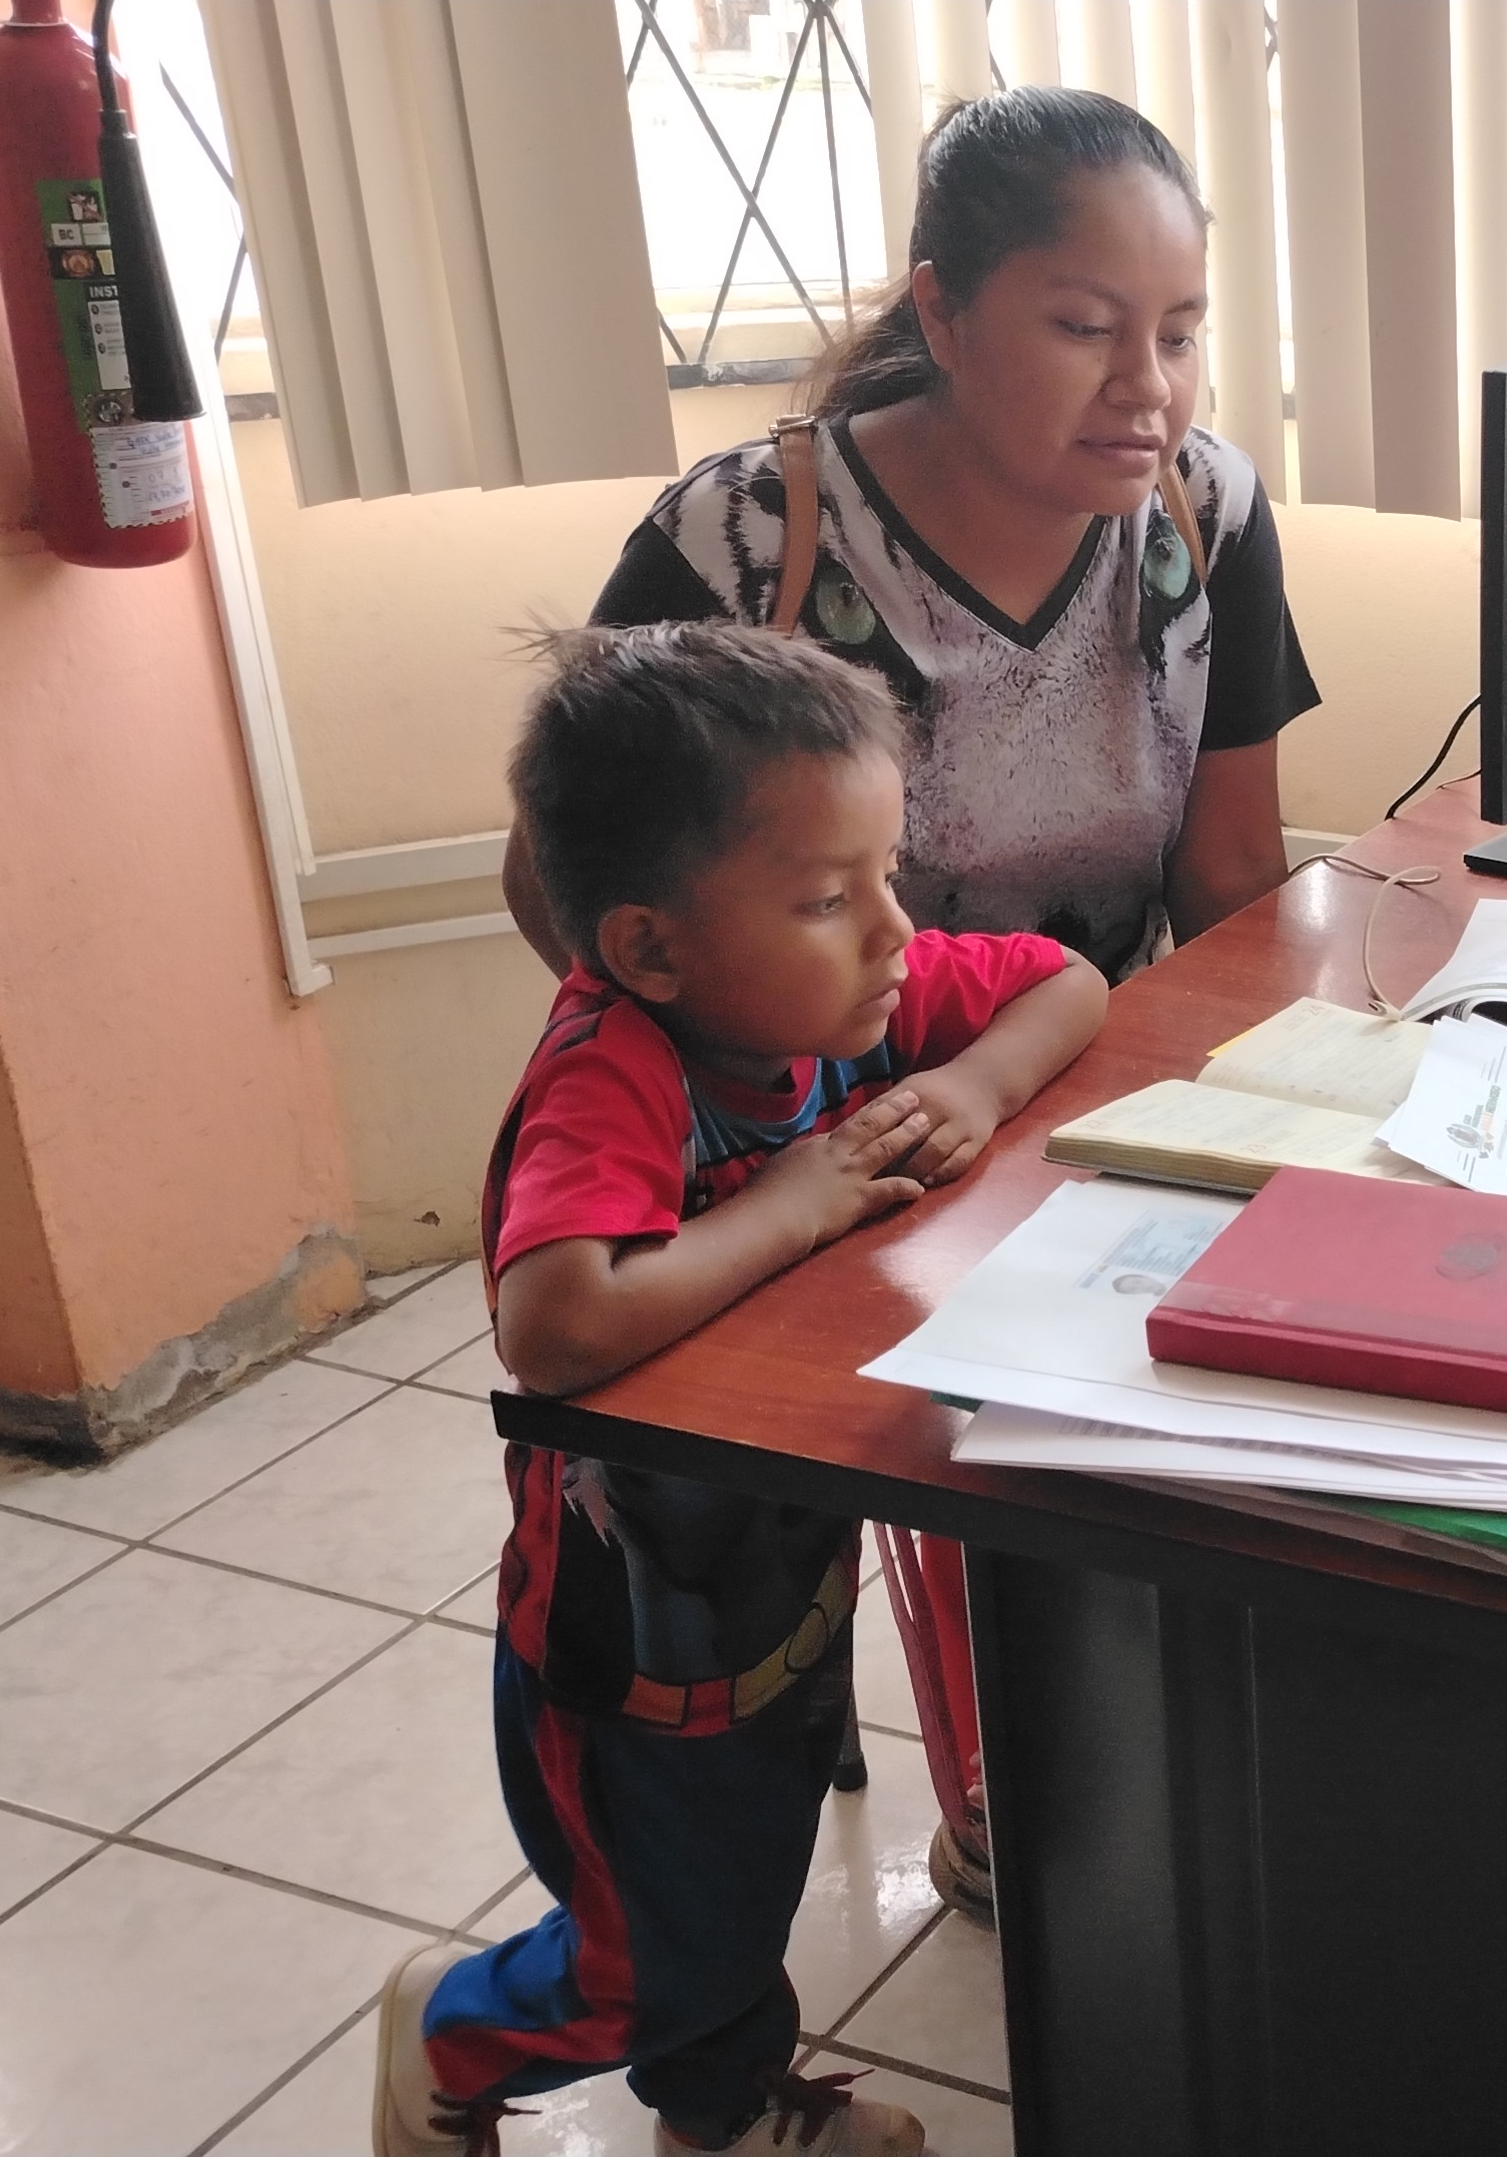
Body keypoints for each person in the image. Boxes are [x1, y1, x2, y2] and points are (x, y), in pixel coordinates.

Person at [511, 85, 1319, 1921]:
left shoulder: (1203, 512)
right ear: (943, 310)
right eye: (1084, 325)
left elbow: (1229, 878)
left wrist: (1294, 1107)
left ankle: (1125, 1759)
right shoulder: (753, 540)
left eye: (1179, 331)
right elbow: (561, 874)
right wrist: (734, 1090)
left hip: (1069, 1045)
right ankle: (1013, 1790)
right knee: (947, 1444)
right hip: (830, 1108)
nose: (1147, 389)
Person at [378, 623, 1110, 2157]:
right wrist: (794, 1204)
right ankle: (453, 2031)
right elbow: (555, 1321)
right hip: (624, 1644)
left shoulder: (829, 1000)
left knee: (741, 1888)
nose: (899, 932)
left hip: (774, 1591)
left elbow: (1065, 982)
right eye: (833, 899)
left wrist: (970, 1084)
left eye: (890, 875)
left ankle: (722, 2116)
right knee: (647, 1955)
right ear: (651, 950)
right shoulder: (616, 1068)